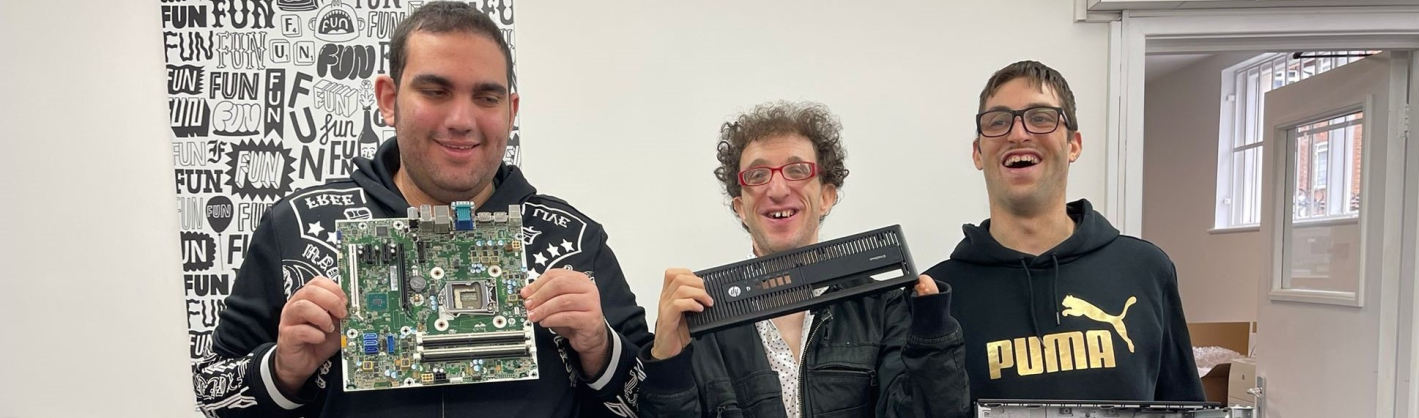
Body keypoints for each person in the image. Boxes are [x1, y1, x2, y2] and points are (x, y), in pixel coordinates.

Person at [191, 3, 650, 417]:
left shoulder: (573, 240)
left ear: (511, 111)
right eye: (435, 91)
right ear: (389, 99)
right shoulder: (295, 227)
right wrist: (281, 371)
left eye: (487, 98)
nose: (462, 120)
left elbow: (659, 401)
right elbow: (211, 394)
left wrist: (601, 349)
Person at [637, 101, 969, 418]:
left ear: (826, 196)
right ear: (740, 207)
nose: (778, 189)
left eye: (797, 170)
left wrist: (934, 338)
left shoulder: (881, 308)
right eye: (757, 175)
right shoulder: (699, 327)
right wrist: (667, 361)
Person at [925, 61, 1205, 401]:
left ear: (1074, 145)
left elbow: (1185, 407)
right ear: (977, 153)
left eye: (1040, 117)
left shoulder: (1146, 270)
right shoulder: (936, 296)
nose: (1017, 134)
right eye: (998, 122)